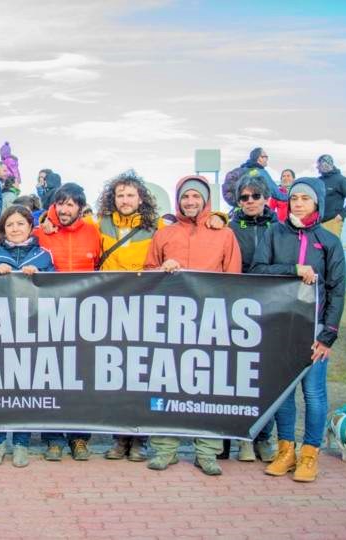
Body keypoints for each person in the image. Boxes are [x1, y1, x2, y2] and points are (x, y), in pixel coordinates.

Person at [145, 175, 243, 476]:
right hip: (170, 323)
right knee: (165, 384)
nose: (190, 202)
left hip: (210, 323)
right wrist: (162, 269)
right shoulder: (164, 234)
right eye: (185, 196)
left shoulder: (224, 234)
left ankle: (207, 452)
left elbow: (234, 279)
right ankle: (165, 449)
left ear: (205, 200)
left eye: (195, 196)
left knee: (209, 389)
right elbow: (148, 271)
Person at [252, 177, 345, 482]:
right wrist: (293, 270)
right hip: (281, 325)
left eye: (305, 198)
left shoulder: (329, 241)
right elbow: (258, 270)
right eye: (294, 198)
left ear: (316, 202)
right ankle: (286, 450)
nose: (299, 203)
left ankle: (309, 454)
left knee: (314, 393)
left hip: (314, 328)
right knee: (284, 393)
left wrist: (328, 335)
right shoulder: (274, 233)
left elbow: (337, 290)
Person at [93, 170, 163, 462]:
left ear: (141, 198)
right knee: (115, 375)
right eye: (120, 195)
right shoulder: (100, 223)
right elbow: (65, 223)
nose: (125, 200)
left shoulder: (157, 226)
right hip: (110, 308)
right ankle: (119, 438)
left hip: (142, 307)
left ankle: (140, 439)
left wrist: (218, 217)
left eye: (130, 195)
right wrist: (46, 218)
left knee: (142, 375)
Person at [32, 182, 102, 460]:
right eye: (60, 203)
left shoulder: (93, 232)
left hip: (84, 315)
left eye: (70, 204)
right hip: (48, 315)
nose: (64, 209)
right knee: (49, 377)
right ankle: (52, 438)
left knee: (81, 379)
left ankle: (79, 438)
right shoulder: (41, 232)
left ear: (80, 207)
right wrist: (44, 220)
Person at [0, 205, 54, 467]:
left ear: (30, 227)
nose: (15, 228)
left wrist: (40, 277)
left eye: (20, 223)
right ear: (3, 228)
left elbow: (57, 286)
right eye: (10, 224)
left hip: (31, 330)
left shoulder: (43, 255)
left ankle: (21, 443)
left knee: (25, 387)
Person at [228, 176, 279, 463]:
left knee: (265, 377)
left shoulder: (279, 228)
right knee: (235, 376)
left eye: (255, 196)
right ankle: (238, 438)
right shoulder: (230, 228)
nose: (250, 201)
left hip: (270, 308)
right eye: (244, 197)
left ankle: (263, 437)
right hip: (237, 308)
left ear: (266, 197)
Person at [222, 148, 288, 207]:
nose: (267, 159)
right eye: (265, 157)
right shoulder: (261, 172)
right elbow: (277, 194)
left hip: (241, 208)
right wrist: (291, 196)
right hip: (254, 209)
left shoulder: (244, 169)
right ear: (259, 158)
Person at [316, 154, 346, 239]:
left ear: (325, 164)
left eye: (319, 164)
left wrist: (342, 215)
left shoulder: (341, 180)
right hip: (317, 223)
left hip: (333, 221)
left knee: (332, 246)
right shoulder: (318, 181)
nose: (317, 167)